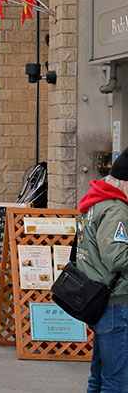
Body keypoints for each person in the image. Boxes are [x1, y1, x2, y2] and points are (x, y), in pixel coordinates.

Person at [77, 151, 128, 392]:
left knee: (99, 377)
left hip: (99, 299)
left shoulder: (95, 202)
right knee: (117, 382)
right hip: (117, 302)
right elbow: (117, 258)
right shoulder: (116, 210)